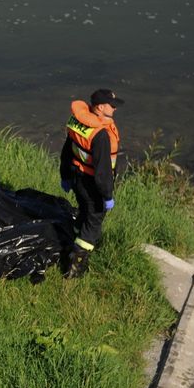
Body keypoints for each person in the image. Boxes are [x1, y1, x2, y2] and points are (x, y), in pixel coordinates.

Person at [59, 89, 124, 278]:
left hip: (77, 177)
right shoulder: (101, 135)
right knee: (94, 221)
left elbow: (67, 150)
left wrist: (65, 175)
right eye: (112, 105)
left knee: (84, 212)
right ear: (101, 107)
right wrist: (107, 196)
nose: (115, 109)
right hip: (93, 184)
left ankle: (73, 238)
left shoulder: (78, 122)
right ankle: (75, 267)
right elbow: (103, 172)